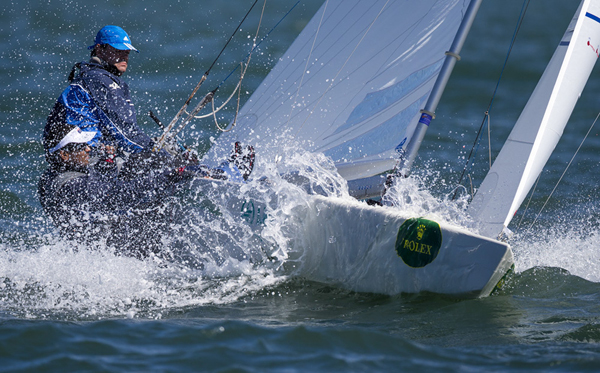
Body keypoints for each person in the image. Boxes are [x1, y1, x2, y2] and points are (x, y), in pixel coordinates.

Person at [38, 121, 200, 259]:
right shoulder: (68, 185)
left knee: (140, 163)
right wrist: (167, 175)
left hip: (108, 237)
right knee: (152, 204)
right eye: (81, 146)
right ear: (64, 155)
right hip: (107, 255)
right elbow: (118, 195)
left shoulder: (58, 172)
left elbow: (100, 186)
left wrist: (153, 154)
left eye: (86, 144)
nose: (88, 149)